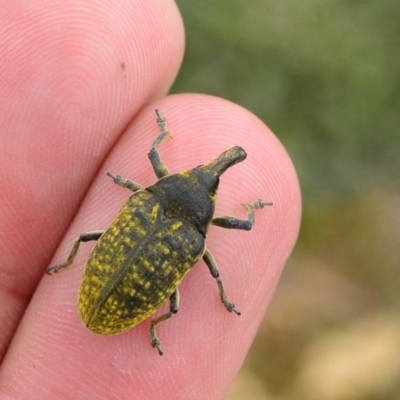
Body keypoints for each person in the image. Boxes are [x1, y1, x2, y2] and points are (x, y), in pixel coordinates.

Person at [0, 1, 301, 398]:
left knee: (95, 241)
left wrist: (163, 134)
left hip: (120, 298)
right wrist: (252, 210)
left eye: (205, 177)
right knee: (171, 306)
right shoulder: (190, 238)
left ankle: (82, 269)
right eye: (204, 176)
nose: (209, 170)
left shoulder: (147, 201)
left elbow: (154, 156)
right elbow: (243, 225)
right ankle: (148, 321)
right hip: (116, 291)